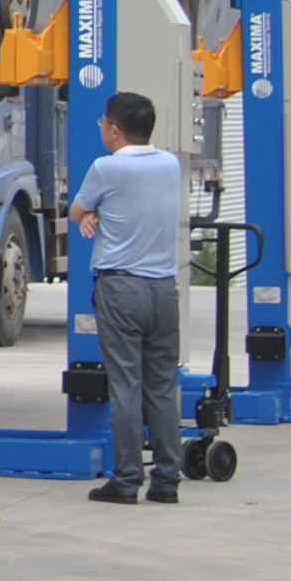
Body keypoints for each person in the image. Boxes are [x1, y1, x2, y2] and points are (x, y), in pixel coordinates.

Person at [72, 90, 189, 504]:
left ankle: (125, 479)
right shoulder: (170, 164)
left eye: (103, 123)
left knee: (125, 386)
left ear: (115, 130)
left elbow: (76, 211)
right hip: (164, 289)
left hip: (121, 288)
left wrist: (92, 213)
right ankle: (167, 480)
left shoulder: (107, 168)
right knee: (162, 387)